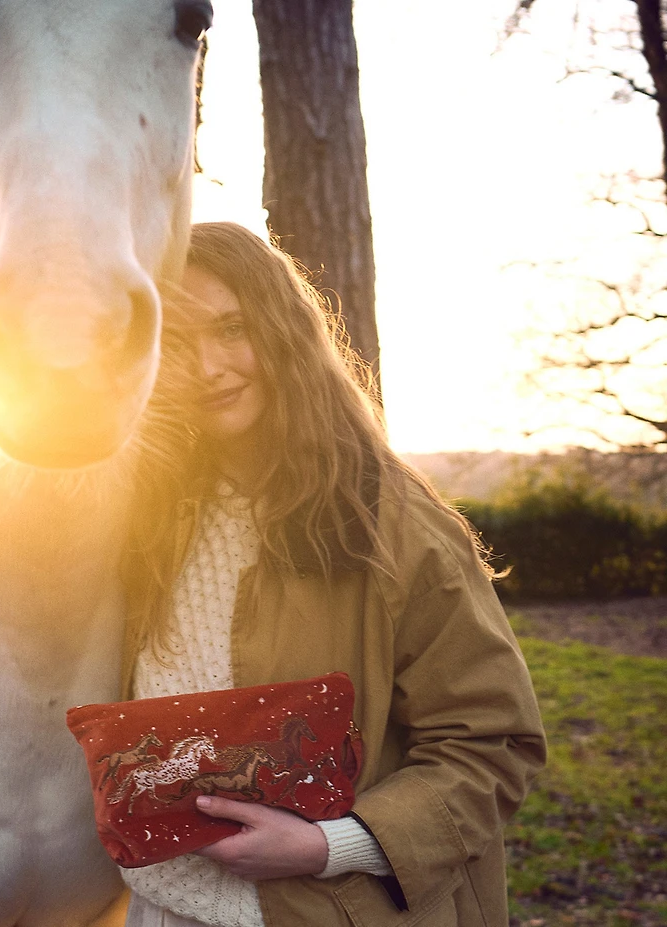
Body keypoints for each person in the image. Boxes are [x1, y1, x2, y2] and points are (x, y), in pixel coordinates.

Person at [120, 221, 546, 927]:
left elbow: (492, 746)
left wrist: (329, 845)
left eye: (232, 328)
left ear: (283, 331)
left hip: (330, 909)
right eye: (175, 339)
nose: (207, 367)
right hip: (161, 909)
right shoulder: (142, 522)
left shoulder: (395, 526)